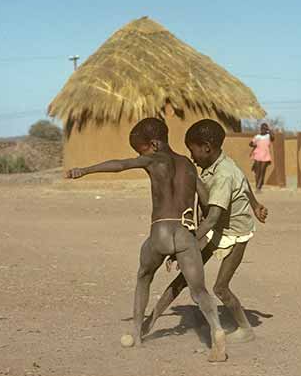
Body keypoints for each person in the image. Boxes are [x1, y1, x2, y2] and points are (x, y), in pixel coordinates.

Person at [65, 117, 228, 362]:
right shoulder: (189, 165)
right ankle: (216, 330)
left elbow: (120, 165)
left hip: (161, 231)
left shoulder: (153, 159)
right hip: (185, 233)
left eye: (139, 151)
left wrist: (85, 170)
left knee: (144, 275)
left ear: (153, 144)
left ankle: (137, 334)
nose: (139, 155)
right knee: (199, 290)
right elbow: (205, 202)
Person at [142, 119, 268, 343]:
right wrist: (255, 203)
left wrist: (184, 244)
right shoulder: (217, 165)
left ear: (207, 148)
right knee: (185, 278)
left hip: (236, 234)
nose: (191, 157)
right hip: (215, 229)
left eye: (193, 151)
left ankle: (245, 328)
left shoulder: (223, 176)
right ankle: (150, 320)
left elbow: (211, 219)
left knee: (221, 287)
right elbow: (243, 181)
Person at [249, 122, 273, 191]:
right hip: (257, 155)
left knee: (262, 171)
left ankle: (259, 186)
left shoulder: (268, 136)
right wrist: (254, 145)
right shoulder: (257, 137)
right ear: (260, 129)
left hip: (265, 156)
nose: (263, 130)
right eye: (262, 128)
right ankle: (257, 185)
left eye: (265, 129)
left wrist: (269, 130)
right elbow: (250, 143)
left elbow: (273, 138)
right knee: (257, 171)